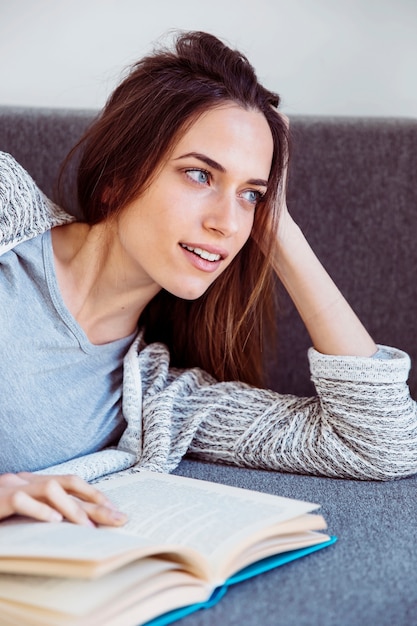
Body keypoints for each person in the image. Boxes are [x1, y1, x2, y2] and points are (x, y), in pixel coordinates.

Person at [1, 31, 416, 527]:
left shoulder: (161, 403)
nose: (228, 223)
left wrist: (280, 227)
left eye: (251, 195)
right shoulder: (7, 209)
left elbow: (378, 443)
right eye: (200, 175)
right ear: (118, 176)